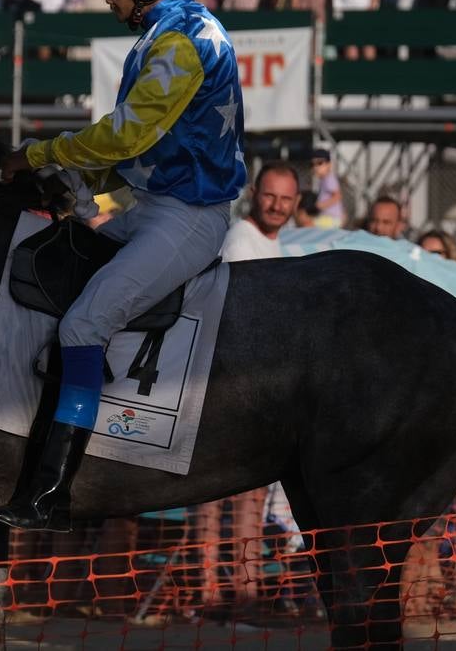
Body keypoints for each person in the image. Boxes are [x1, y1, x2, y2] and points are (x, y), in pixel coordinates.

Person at [0, 0, 246, 532]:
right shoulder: (161, 32)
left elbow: (127, 136)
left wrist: (41, 154)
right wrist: (71, 187)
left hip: (187, 218)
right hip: (149, 202)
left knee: (83, 323)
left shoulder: (181, 42)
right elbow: (135, 156)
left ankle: (49, 495)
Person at [192, 163, 299, 608]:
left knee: (244, 504)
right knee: (221, 504)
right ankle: (219, 596)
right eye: (270, 195)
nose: (276, 205)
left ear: (297, 204)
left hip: (254, 392)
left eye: (286, 199)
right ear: (255, 193)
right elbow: (236, 319)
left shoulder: (273, 245)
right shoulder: (241, 240)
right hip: (230, 390)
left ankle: (240, 595)